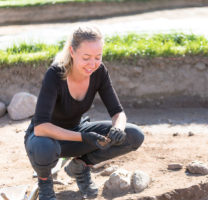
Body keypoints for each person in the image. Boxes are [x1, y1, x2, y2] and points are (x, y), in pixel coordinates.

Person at [24, 25, 144, 200]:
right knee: (44, 146)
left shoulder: (99, 72)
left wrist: (118, 128)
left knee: (133, 135)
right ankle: (45, 185)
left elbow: (118, 112)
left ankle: (80, 167)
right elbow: (41, 127)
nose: (93, 64)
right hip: (44, 140)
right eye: (86, 57)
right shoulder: (55, 74)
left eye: (98, 57)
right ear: (72, 51)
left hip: (75, 133)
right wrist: (84, 138)